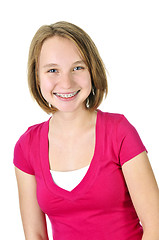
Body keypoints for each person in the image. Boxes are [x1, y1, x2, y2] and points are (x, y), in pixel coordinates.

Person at [13, 21, 159, 240]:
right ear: (37, 76)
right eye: (53, 70)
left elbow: (155, 225)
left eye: (77, 68)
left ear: (92, 70)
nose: (66, 82)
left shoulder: (119, 132)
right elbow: (35, 235)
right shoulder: (26, 147)